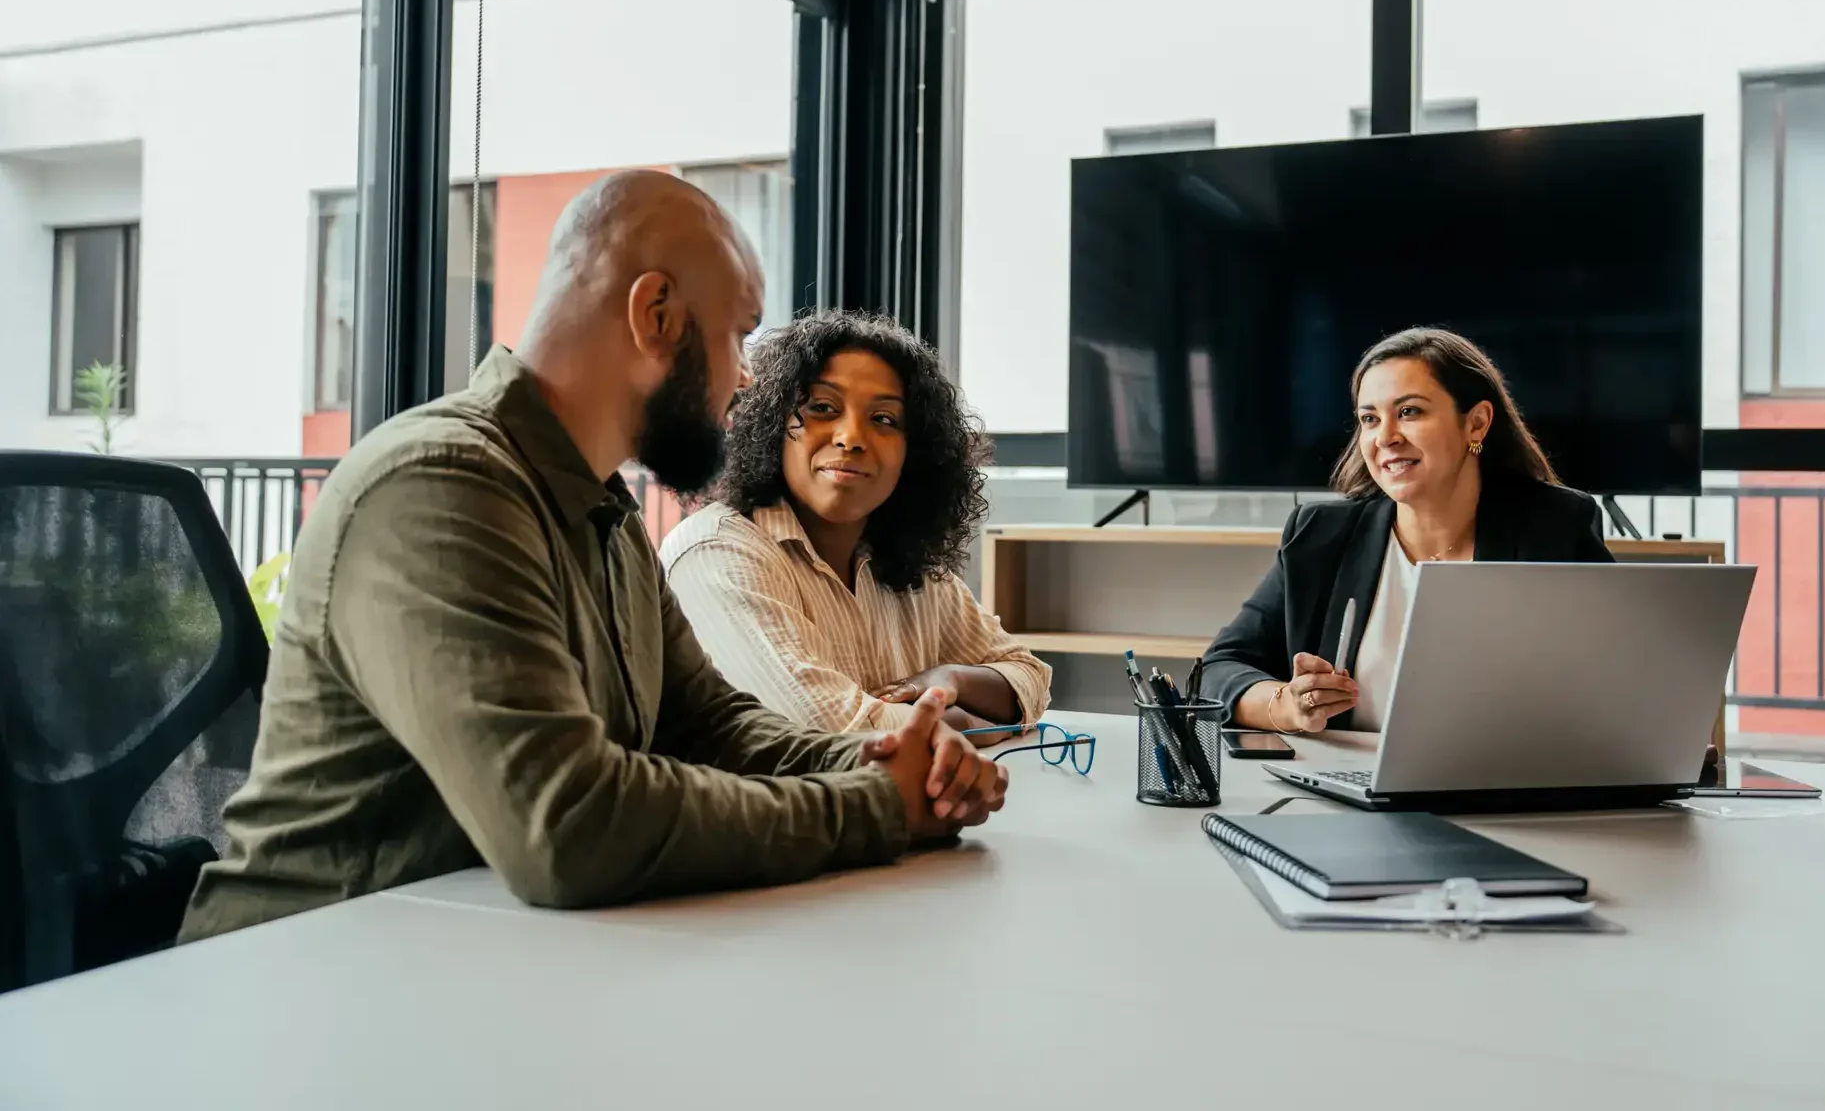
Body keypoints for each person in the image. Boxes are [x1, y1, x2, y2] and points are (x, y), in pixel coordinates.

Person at [177, 171, 1007, 944]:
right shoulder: (439, 487)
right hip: (297, 981)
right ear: (656, 317)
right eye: (737, 334)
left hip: (471, 962)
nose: (750, 379)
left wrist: (891, 762)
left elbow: (708, 722)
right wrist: (872, 808)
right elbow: (565, 821)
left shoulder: (599, 505)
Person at [660, 312, 1051, 745]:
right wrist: (965, 724)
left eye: (884, 419)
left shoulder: (908, 563)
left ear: (915, 452)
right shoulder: (716, 553)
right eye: (822, 408)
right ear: (769, 423)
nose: (851, 437)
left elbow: (1029, 676)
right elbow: (831, 729)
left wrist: (951, 678)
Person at [1201, 326, 1612, 735]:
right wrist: (1286, 707)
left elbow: (1623, 674)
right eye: (1369, 418)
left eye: (1409, 412)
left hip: (1501, 788)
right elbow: (1219, 669)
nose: (1386, 437)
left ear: (1477, 423)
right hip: (1347, 788)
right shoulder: (1320, 535)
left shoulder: (1554, 526)